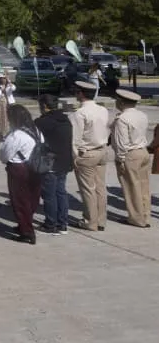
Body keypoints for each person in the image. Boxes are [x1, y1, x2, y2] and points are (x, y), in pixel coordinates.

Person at [0, 105, 44, 244]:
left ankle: (27, 232)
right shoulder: (36, 131)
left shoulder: (16, 135)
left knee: (20, 201)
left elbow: (4, 155)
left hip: (19, 169)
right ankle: (24, 224)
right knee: (31, 199)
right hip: (36, 167)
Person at [71, 80, 110, 231]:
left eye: (76, 91)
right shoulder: (103, 110)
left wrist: (75, 158)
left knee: (88, 189)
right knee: (100, 188)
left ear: (81, 94)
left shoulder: (80, 113)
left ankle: (90, 221)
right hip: (101, 150)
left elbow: (75, 139)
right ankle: (101, 220)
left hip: (87, 153)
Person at [111, 89, 151, 228]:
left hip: (130, 154)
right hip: (143, 151)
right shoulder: (141, 114)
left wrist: (121, 159)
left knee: (131, 188)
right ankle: (145, 216)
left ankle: (136, 218)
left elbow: (122, 142)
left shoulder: (122, 118)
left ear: (121, 102)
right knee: (143, 186)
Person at [36, 95, 74, 234]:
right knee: (61, 192)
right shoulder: (65, 120)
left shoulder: (43, 122)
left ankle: (51, 223)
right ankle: (62, 223)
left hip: (50, 162)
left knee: (49, 195)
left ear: (45, 106)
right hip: (64, 161)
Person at [0, 74, 14, 140]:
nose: (3, 80)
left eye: (4, 78)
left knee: (6, 119)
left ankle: (6, 135)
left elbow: (14, 88)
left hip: (7, 104)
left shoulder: (9, 86)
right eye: (1, 78)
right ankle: (0, 135)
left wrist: (9, 80)